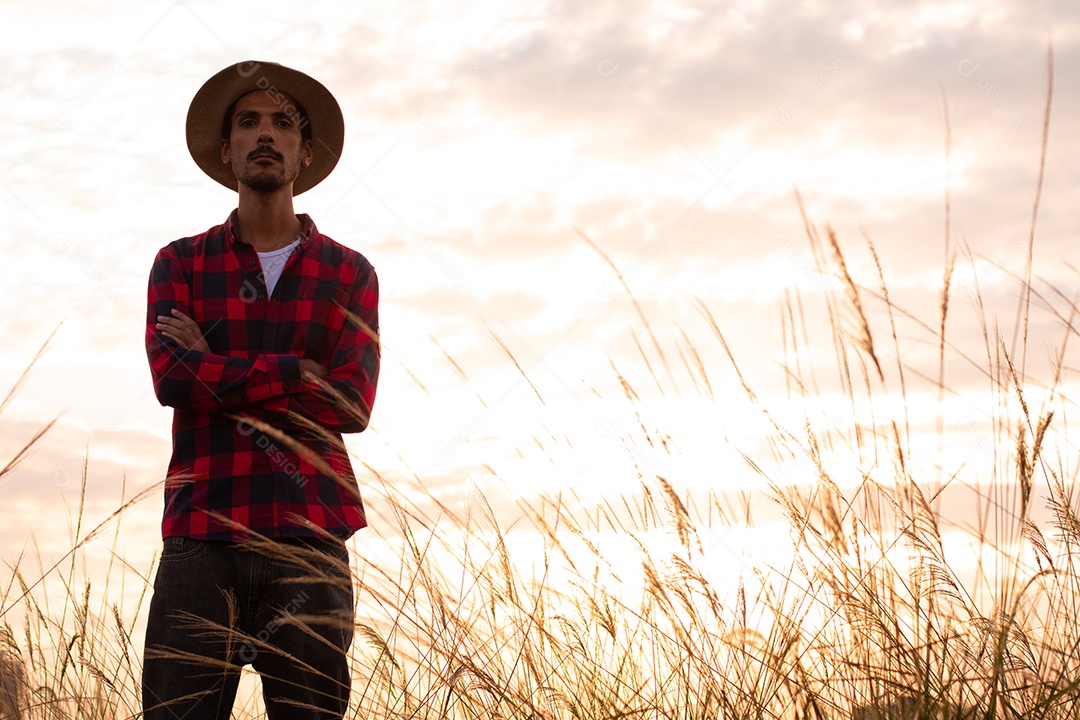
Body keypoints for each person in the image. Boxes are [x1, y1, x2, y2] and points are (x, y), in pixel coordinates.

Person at [142, 60, 379, 719]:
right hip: (201, 536)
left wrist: (217, 364)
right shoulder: (180, 262)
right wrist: (298, 372)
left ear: (305, 152)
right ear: (228, 151)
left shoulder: (350, 272)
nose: (265, 134)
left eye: (283, 123)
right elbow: (171, 378)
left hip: (309, 536)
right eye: (248, 123)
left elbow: (352, 403)